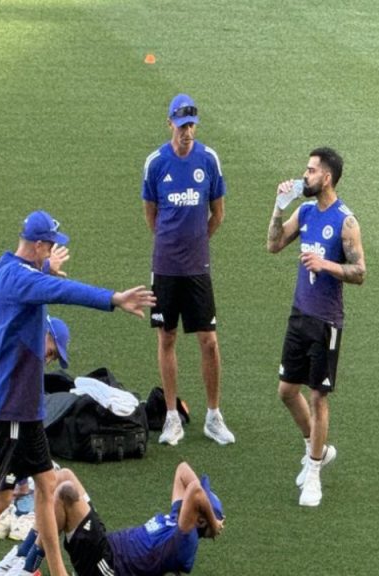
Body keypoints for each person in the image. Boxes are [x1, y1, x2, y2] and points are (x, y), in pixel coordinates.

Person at [0, 210, 156, 576]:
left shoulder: (4, 267)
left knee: (47, 487)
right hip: (13, 407)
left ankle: (58, 572)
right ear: (38, 245)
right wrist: (114, 298)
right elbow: (65, 292)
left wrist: (45, 269)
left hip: (25, 409)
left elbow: (33, 280)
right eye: (49, 246)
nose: (52, 251)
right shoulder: (21, 279)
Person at [267, 147, 366, 507]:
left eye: (310, 171)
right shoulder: (305, 211)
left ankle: (313, 472)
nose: (304, 176)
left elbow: (360, 272)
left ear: (326, 177)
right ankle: (319, 450)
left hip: (326, 321)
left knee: (318, 396)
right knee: (285, 391)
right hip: (299, 315)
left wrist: (326, 265)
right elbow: (274, 244)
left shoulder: (346, 221)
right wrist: (279, 205)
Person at [142, 93, 234, 447]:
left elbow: (218, 214)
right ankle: (170, 417)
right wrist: (171, 245)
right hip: (165, 267)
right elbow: (151, 215)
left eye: (192, 125)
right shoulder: (156, 163)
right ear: (170, 125)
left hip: (198, 267)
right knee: (167, 337)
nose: (187, 132)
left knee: (209, 341)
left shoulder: (208, 160)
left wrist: (197, 243)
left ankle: (213, 415)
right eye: (181, 126)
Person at [0, 299, 71, 530]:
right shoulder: (24, 339)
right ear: (46, 334)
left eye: (53, 358)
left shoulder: (25, 322)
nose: (47, 360)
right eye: (51, 352)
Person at [0, 463, 223, 576]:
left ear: (199, 520)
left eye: (200, 507)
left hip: (108, 567)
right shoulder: (177, 518)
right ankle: (21, 557)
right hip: (105, 545)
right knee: (63, 476)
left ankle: (29, 568)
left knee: (64, 493)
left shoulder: (186, 542)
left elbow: (194, 491)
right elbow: (182, 470)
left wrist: (214, 524)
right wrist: (210, 517)